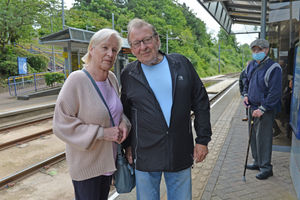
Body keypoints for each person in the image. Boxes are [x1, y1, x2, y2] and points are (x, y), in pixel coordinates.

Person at [120, 18, 212, 200]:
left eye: (147, 40)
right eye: (136, 43)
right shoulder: (128, 74)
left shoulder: (181, 64)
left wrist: (203, 140)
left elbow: (201, 102)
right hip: (145, 153)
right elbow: (126, 113)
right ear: (132, 49)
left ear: (157, 40)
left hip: (179, 149)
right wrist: (128, 145)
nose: (143, 47)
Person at [53, 28, 131, 200]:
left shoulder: (111, 78)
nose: (110, 54)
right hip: (87, 166)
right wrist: (102, 133)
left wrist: (124, 123)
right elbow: (60, 124)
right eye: (105, 48)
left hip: (108, 162)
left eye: (114, 50)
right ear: (91, 49)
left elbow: (114, 110)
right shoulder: (76, 80)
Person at [242, 38, 282, 180]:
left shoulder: (274, 68)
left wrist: (263, 108)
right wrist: (245, 95)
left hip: (264, 109)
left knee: (263, 138)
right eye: (254, 50)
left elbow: (275, 92)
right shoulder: (251, 65)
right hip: (251, 107)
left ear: (267, 50)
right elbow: (245, 81)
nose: (256, 52)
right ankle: (257, 162)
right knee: (253, 136)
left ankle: (266, 168)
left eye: (259, 49)